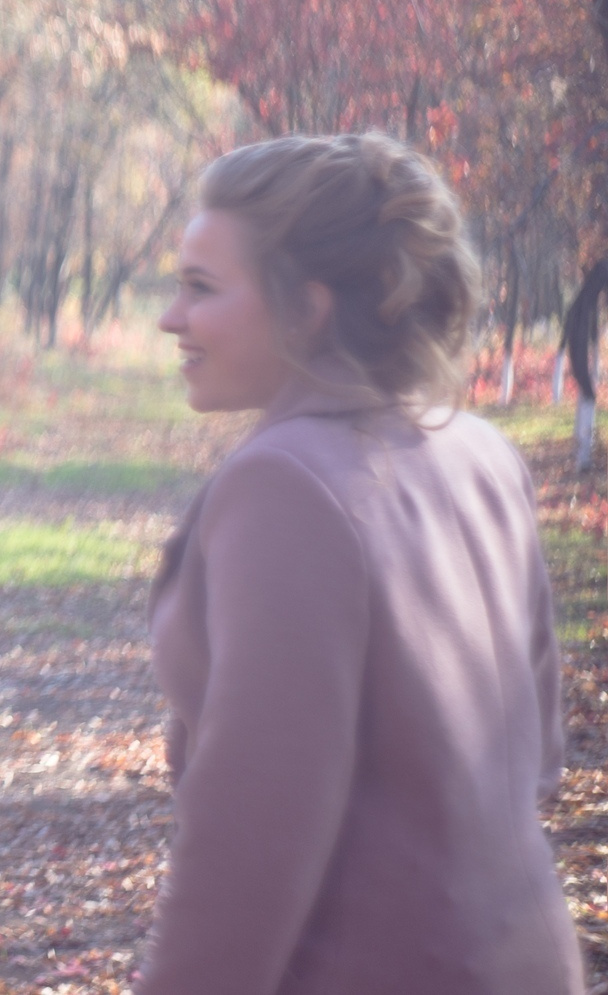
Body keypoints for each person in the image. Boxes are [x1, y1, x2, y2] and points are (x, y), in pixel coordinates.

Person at [141, 133, 579, 994]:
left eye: (201, 287)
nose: (171, 317)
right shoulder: (482, 452)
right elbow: (540, 754)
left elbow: (250, 842)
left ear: (306, 308)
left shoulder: (285, 484)